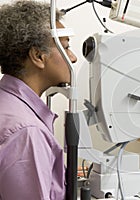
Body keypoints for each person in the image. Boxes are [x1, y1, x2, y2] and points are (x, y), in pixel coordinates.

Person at [0, 1, 77, 199]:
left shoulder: (9, 106)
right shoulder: (26, 132)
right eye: (66, 47)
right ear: (38, 56)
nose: (73, 58)